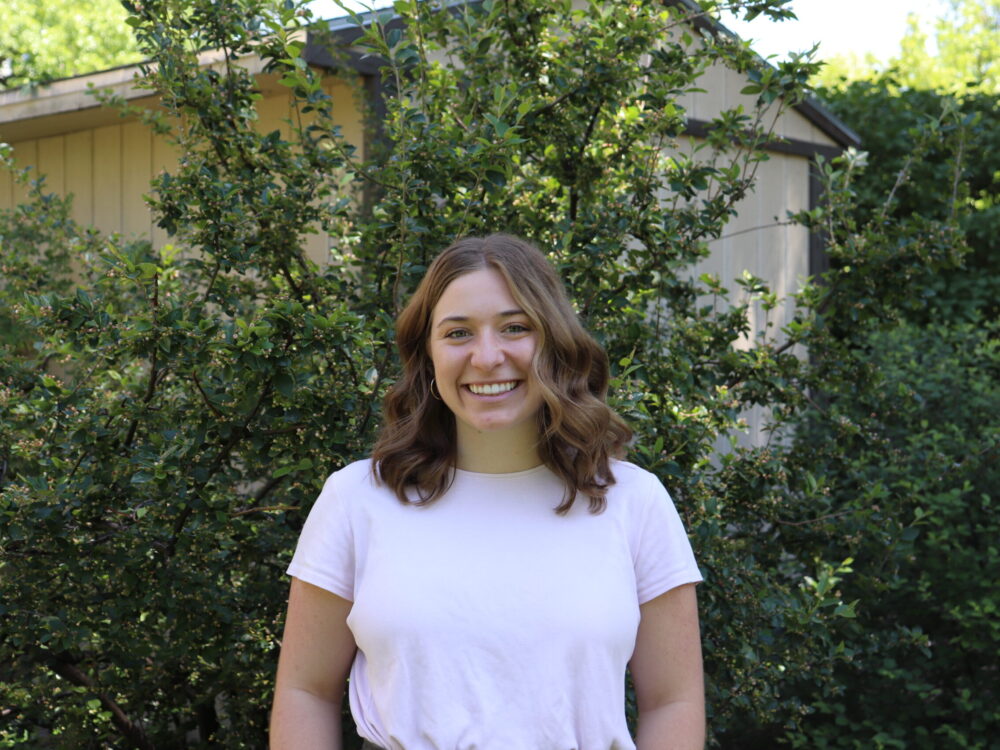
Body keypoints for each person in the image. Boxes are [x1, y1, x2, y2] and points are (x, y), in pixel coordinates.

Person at [270, 234, 705, 750]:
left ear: (554, 341)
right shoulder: (357, 499)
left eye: (514, 327)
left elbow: (672, 701)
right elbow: (306, 691)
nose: (487, 356)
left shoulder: (633, 500)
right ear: (427, 355)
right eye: (458, 333)